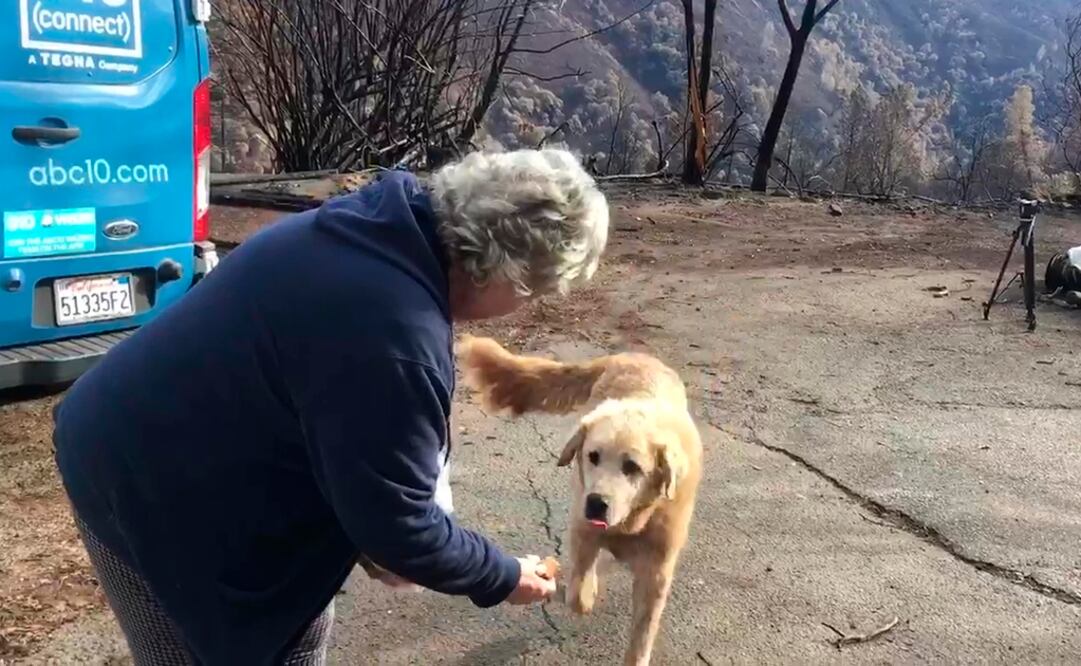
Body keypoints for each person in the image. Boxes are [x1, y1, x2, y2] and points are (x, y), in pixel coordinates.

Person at [52, 146, 610, 665]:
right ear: (506, 271)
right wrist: (504, 576)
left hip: (177, 438)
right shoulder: (393, 335)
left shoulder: (381, 223)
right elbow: (400, 529)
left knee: (299, 619)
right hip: (137, 475)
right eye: (532, 292)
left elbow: (368, 463)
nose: (521, 308)